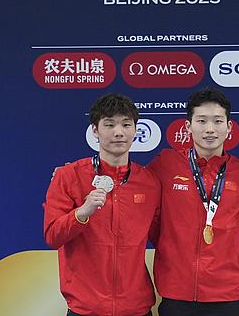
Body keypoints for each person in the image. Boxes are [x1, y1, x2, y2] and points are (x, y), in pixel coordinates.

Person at [43, 93, 160, 316]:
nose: (119, 132)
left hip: (136, 307)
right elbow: (52, 236)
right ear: (95, 130)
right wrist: (82, 213)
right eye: (109, 124)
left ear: (135, 130)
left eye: (126, 124)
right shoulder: (68, 176)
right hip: (86, 308)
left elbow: (164, 238)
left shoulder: (150, 182)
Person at [148, 87, 239, 316]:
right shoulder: (166, 164)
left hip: (227, 294)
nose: (210, 129)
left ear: (229, 127)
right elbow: (136, 197)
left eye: (218, 121)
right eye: (201, 121)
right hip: (176, 291)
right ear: (188, 126)